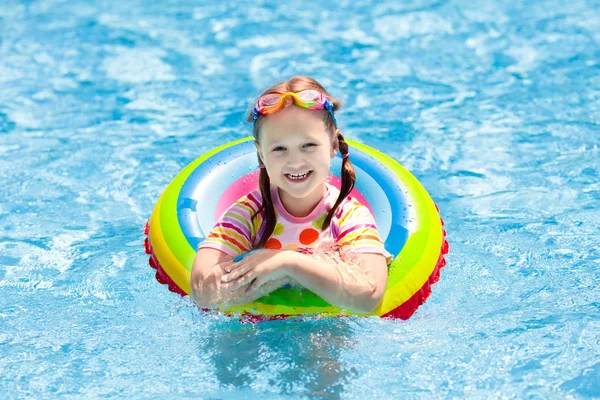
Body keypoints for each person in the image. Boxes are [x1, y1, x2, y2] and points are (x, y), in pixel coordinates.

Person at [190, 76, 392, 314]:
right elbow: (203, 291)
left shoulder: (348, 216)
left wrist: (287, 263)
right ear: (261, 155)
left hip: (324, 332)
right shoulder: (248, 213)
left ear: (334, 146)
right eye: (279, 149)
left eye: (308, 145)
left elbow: (369, 296)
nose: (295, 161)